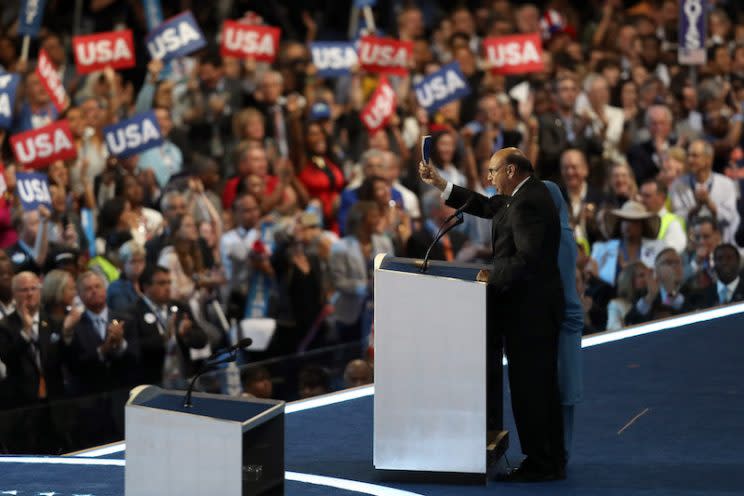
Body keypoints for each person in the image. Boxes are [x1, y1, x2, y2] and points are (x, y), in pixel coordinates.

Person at [419, 148, 566, 482]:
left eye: (492, 171)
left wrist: (487, 276)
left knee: (532, 388)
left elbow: (528, 260)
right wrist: (441, 183)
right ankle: (550, 457)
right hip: (529, 310)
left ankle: (543, 462)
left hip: (531, 313)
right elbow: (485, 206)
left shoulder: (529, 201)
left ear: (510, 170)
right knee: (537, 386)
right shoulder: (521, 195)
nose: (489, 178)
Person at [543, 181, 583, 460]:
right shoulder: (551, 235)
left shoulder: (563, 238)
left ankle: (561, 451)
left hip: (564, 322)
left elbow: (564, 288)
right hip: (554, 319)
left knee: (563, 388)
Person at [131, 266, 208, 387]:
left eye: (169, 282)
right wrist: (165, 337)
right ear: (146, 287)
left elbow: (202, 340)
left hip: (184, 380)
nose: (168, 287)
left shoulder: (180, 307)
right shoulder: (133, 312)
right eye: (162, 283)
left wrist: (186, 334)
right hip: (152, 383)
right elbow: (134, 349)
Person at [592, 201, 666, 287]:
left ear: (642, 225)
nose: (628, 225)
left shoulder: (659, 248)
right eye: (624, 220)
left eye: (633, 221)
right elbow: (593, 277)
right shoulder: (602, 249)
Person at [625, 248, 693, 325]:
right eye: (668, 262)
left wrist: (672, 293)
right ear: (656, 270)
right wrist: (650, 296)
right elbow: (630, 321)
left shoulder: (693, 290)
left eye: (678, 262)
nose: (674, 266)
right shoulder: (644, 294)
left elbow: (695, 314)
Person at [688, 243, 744, 309]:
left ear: (738, 261)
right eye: (720, 259)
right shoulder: (702, 295)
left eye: (729, 258)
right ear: (714, 263)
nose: (724, 262)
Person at [639, 179, 686, 253]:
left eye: (647, 196)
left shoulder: (673, 223)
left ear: (662, 198)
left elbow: (672, 252)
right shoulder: (637, 219)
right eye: (641, 195)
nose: (641, 200)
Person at [606, 262, 649, 331]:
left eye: (649, 275)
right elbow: (614, 331)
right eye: (641, 275)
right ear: (629, 279)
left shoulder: (655, 300)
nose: (647, 279)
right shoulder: (616, 305)